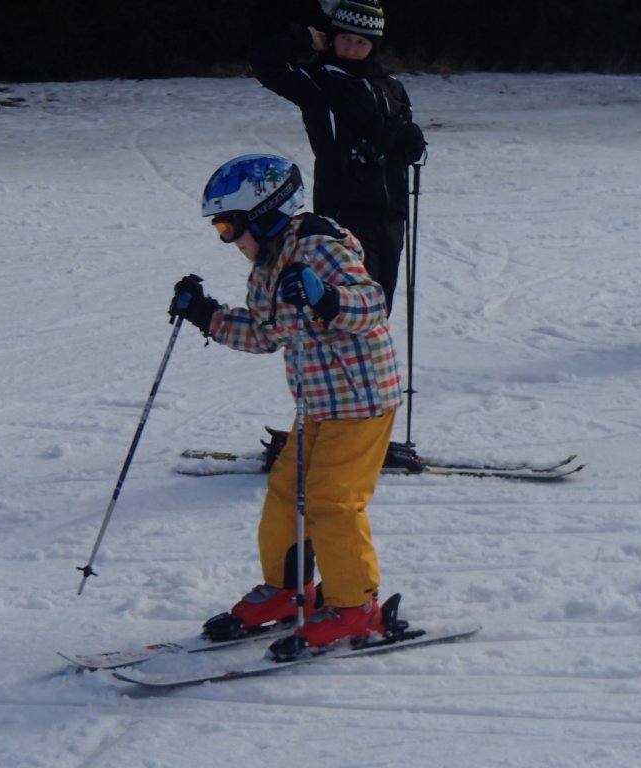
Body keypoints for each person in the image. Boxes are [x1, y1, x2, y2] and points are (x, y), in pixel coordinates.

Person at [168, 154, 402, 655]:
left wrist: (327, 297)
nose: (228, 240)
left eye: (230, 228)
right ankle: (288, 589)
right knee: (285, 495)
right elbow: (265, 334)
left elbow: (373, 304)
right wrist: (206, 314)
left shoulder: (319, 248)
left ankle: (355, 606)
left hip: (362, 400)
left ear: (265, 214)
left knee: (332, 501)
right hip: (318, 404)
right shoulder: (267, 268)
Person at [250, 0, 426, 317]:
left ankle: (376, 351)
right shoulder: (319, 83)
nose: (352, 48)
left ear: (373, 46)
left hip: (391, 216)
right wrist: (302, 39)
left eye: (361, 42)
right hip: (345, 213)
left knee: (378, 310)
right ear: (332, 38)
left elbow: (401, 142)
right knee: (349, 309)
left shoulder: (392, 87)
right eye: (345, 38)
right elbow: (264, 63)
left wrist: (411, 145)